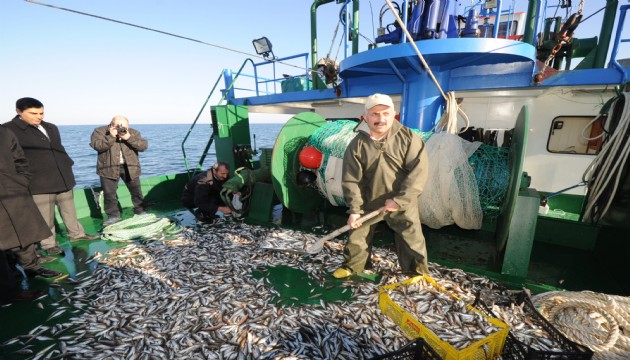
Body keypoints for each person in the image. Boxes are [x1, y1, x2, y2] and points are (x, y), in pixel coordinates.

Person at [333, 93, 430, 279]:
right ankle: (353, 266)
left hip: (402, 201)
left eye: (385, 113)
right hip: (370, 200)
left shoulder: (410, 138)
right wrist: (355, 210)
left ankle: (416, 272)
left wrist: (399, 200)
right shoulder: (356, 145)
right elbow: (351, 180)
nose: (380, 119)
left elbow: (418, 173)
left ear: (394, 114)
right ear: (365, 117)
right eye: (374, 114)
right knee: (357, 235)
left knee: (411, 237)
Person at [4, 98, 99, 257]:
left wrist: (68, 163)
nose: (38, 116)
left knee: (69, 210)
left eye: (41, 113)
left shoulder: (50, 127)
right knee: (45, 216)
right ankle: (49, 244)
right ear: (18, 111)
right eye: (33, 113)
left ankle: (77, 234)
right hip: (38, 181)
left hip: (63, 177)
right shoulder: (8, 130)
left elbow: (58, 148)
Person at [0, 125, 62, 279]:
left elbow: (19, 158)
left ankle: (32, 267)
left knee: (25, 234)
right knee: (4, 241)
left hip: (13, 190)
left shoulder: (4, 132)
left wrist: (21, 180)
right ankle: (11, 281)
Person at [90, 115, 148, 225]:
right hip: (108, 168)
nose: (121, 129)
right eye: (118, 126)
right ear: (111, 124)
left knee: (136, 192)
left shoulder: (133, 132)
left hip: (130, 167)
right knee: (109, 194)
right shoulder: (99, 131)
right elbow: (96, 145)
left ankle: (140, 211)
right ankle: (113, 216)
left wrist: (128, 137)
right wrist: (111, 137)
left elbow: (143, 146)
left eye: (124, 126)